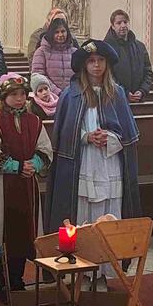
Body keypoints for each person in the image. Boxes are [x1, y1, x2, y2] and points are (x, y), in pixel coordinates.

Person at [45, 40, 141, 233]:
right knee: (83, 217)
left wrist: (110, 137)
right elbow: (63, 134)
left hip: (110, 163)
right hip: (83, 163)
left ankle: (109, 262)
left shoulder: (117, 93)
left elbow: (128, 135)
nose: (96, 65)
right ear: (84, 65)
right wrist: (86, 137)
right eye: (91, 61)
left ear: (107, 64)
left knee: (110, 214)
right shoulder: (71, 94)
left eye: (101, 60)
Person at [0, 74, 53, 302]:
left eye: (22, 94)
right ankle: (2, 282)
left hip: (27, 187)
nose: (20, 99)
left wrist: (35, 164)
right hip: (4, 186)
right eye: (14, 95)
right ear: (4, 97)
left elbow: (45, 149)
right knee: (1, 231)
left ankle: (18, 279)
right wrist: (17, 166)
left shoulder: (34, 121)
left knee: (24, 233)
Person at [103, 10, 153, 102]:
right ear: (113, 26)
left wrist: (142, 91)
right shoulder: (106, 48)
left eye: (125, 22)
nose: (123, 25)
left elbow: (148, 72)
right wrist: (124, 93)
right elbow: (107, 75)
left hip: (138, 99)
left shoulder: (140, 47)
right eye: (118, 23)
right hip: (115, 100)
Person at [31, 18, 76, 93]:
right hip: (50, 95)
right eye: (56, 32)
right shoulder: (41, 51)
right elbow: (39, 75)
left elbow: (80, 75)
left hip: (71, 95)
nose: (60, 35)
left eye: (63, 31)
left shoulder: (74, 52)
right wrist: (57, 91)